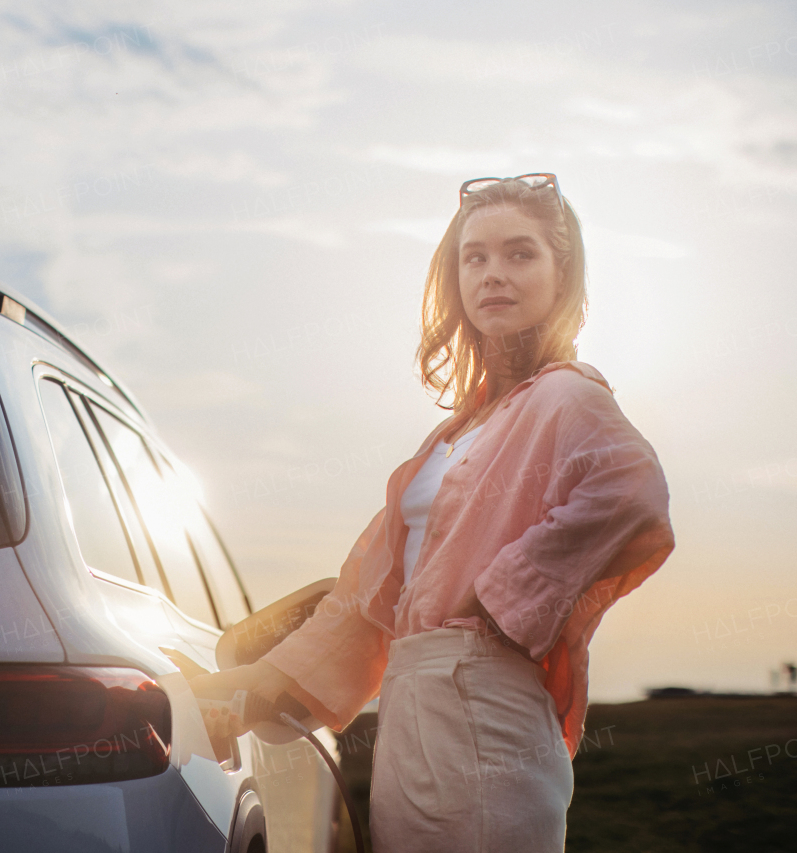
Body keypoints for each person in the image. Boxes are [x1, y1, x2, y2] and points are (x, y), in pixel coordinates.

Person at [190, 174, 675, 852]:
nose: (493, 274)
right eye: (474, 257)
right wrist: (247, 684)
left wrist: (496, 599)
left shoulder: (568, 396)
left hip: (486, 697)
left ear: (561, 275)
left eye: (519, 254)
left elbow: (631, 491)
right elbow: (364, 603)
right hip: (412, 706)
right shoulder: (450, 435)